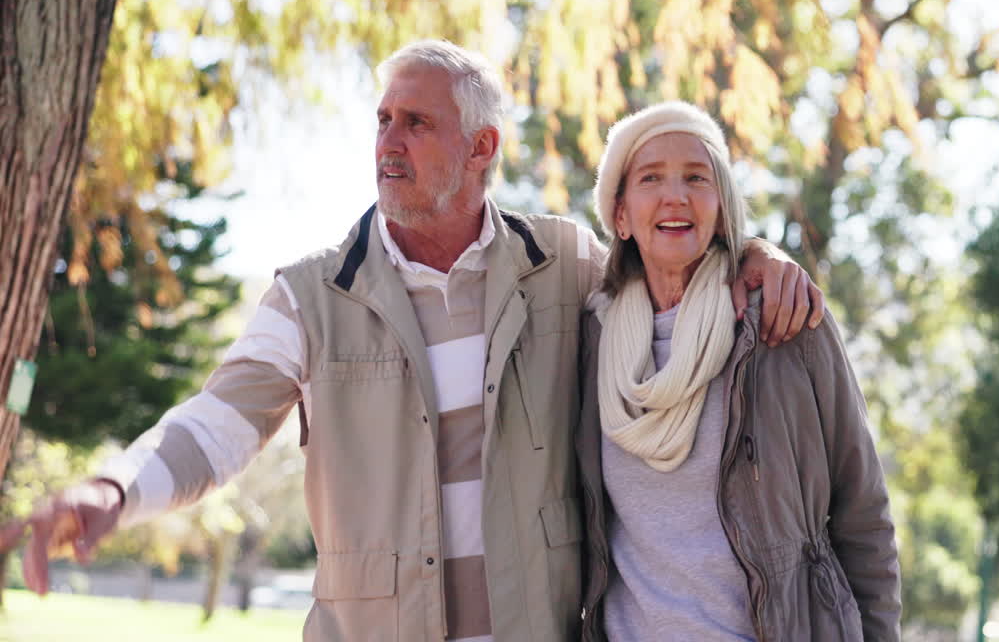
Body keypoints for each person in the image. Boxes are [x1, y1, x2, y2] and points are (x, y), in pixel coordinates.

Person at [0, 41, 825, 642]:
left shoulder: (564, 265)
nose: (388, 143)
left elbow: (670, 259)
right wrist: (113, 490)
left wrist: (756, 256)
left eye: (417, 124)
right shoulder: (312, 296)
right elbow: (217, 425)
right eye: (383, 121)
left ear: (481, 148)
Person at [576, 101, 900, 641]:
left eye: (696, 178)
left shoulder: (787, 321)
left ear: (722, 207)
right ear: (621, 216)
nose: (675, 195)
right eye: (650, 178)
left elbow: (863, 515)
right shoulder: (589, 337)